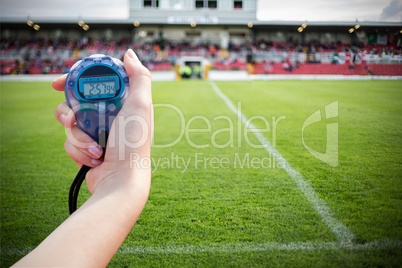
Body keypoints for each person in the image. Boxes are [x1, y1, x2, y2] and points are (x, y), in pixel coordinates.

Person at [13, 49, 154, 267]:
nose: (99, 96)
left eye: (103, 88)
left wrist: (120, 179)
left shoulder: (80, 81)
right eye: (94, 89)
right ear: (74, 88)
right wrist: (119, 182)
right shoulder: (110, 77)